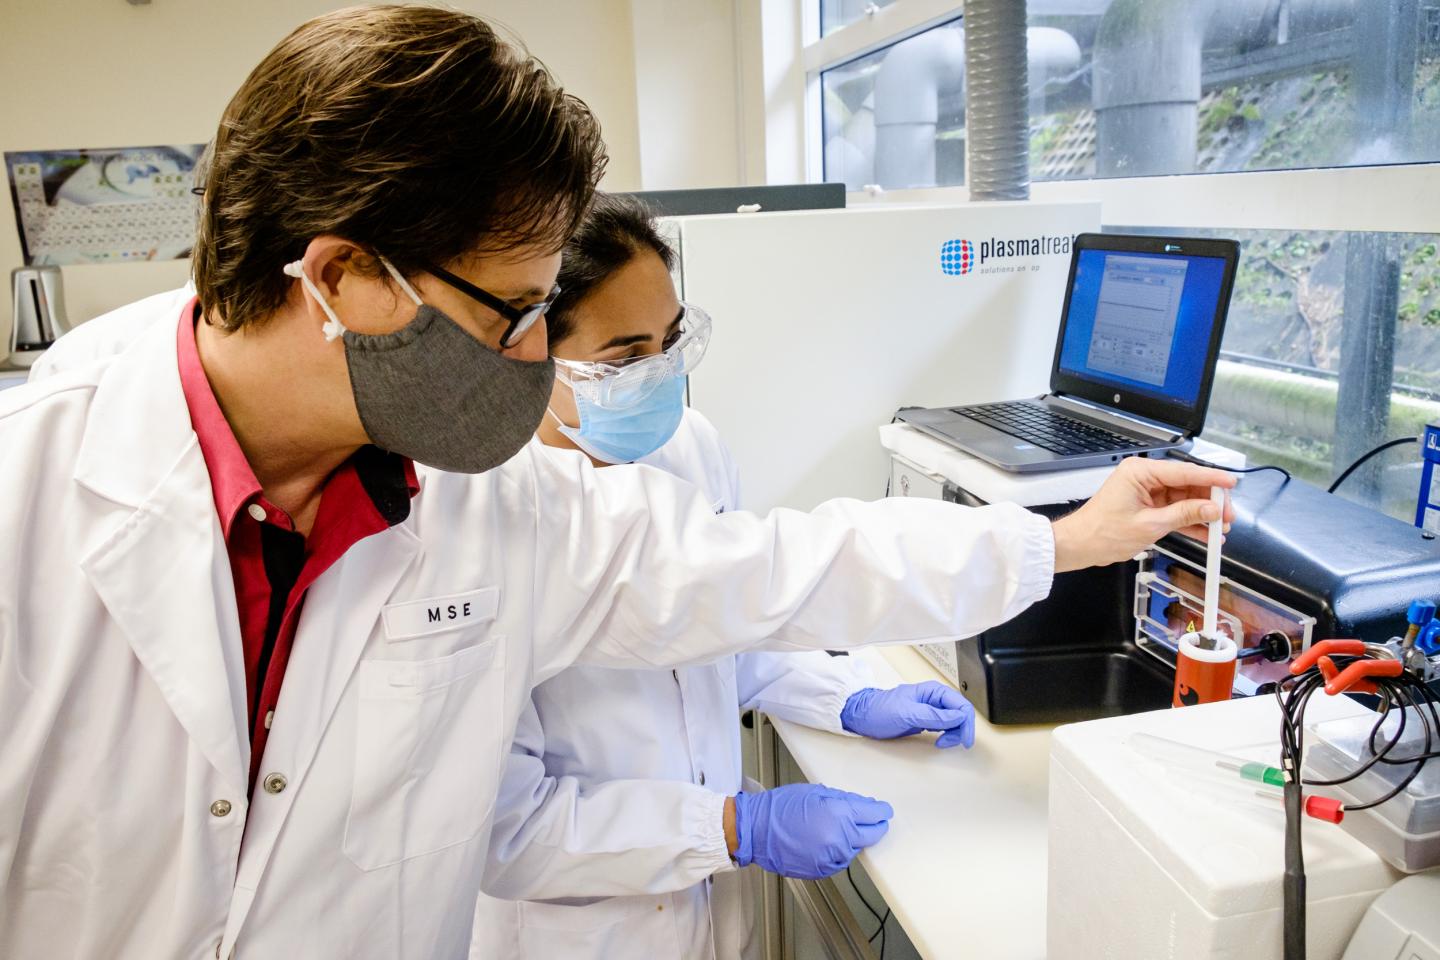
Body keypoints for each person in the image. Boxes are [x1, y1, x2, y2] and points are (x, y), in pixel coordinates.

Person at [0, 6, 1234, 959]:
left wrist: (1062, 544)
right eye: (517, 314)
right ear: (346, 280)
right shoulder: (33, 494)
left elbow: (756, 567)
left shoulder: (480, 502)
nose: (539, 362)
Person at [471, 194, 978, 959]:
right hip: (579, 930)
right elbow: (507, 830)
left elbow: (727, 623)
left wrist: (848, 696)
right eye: (626, 358)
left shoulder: (689, 447)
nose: (662, 378)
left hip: (712, 911)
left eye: (671, 343)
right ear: (535, 349)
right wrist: (738, 828)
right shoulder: (485, 518)